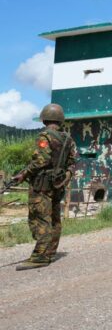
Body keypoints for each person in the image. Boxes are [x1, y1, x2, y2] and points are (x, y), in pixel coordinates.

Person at [8, 103, 77, 271]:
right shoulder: (68, 139)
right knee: (54, 218)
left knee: (40, 219)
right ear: (60, 120)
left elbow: (41, 160)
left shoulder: (44, 137)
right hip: (57, 184)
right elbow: (72, 163)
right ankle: (50, 252)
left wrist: (23, 174)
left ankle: (40, 256)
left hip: (42, 186)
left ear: (44, 119)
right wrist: (65, 178)